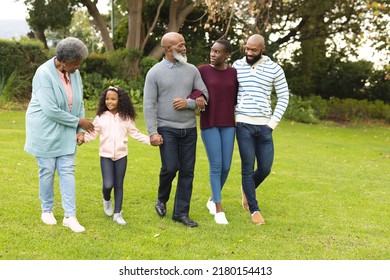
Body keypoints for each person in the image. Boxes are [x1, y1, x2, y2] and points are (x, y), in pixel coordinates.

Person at [24, 37, 94, 233]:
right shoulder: (43, 73)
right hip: (44, 129)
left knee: (67, 170)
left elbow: (79, 103)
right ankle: (47, 210)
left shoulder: (75, 73)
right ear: (63, 60)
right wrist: (79, 122)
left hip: (66, 129)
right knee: (47, 170)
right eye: (75, 62)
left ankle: (70, 216)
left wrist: (80, 131)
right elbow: (50, 110)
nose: (78, 66)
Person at [143, 32, 209, 227]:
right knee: (170, 167)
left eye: (184, 44)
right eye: (180, 45)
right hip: (166, 129)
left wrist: (188, 103)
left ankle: (180, 213)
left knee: (187, 171)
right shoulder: (154, 72)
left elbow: (204, 96)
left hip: (189, 129)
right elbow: (148, 104)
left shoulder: (192, 70)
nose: (184, 47)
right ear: (168, 48)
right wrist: (152, 132)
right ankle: (162, 199)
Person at [232, 34, 289, 225]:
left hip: (264, 125)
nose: (249, 53)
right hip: (243, 124)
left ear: (262, 49)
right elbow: (229, 92)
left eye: (253, 50)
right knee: (247, 167)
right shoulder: (237, 66)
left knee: (265, 168)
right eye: (247, 48)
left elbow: (283, 98)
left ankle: (246, 189)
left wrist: (271, 124)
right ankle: (254, 210)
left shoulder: (274, 69)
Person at [81, 86, 150, 225]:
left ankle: (117, 213)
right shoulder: (100, 117)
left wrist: (150, 141)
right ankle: (106, 199)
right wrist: (83, 139)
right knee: (108, 184)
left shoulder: (126, 118)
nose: (109, 101)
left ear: (120, 100)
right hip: (105, 156)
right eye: (107, 98)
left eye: (113, 99)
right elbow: (92, 133)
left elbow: (135, 133)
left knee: (118, 184)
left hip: (121, 155)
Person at [191, 39, 238, 224]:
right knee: (216, 165)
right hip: (209, 123)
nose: (213, 54)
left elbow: (236, 97)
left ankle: (212, 198)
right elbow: (191, 89)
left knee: (226, 166)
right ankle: (219, 208)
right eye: (212, 50)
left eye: (217, 52)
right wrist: (199, 95)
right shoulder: (202, 71)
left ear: (226, 55)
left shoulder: (234, 73)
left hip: (228, 123)